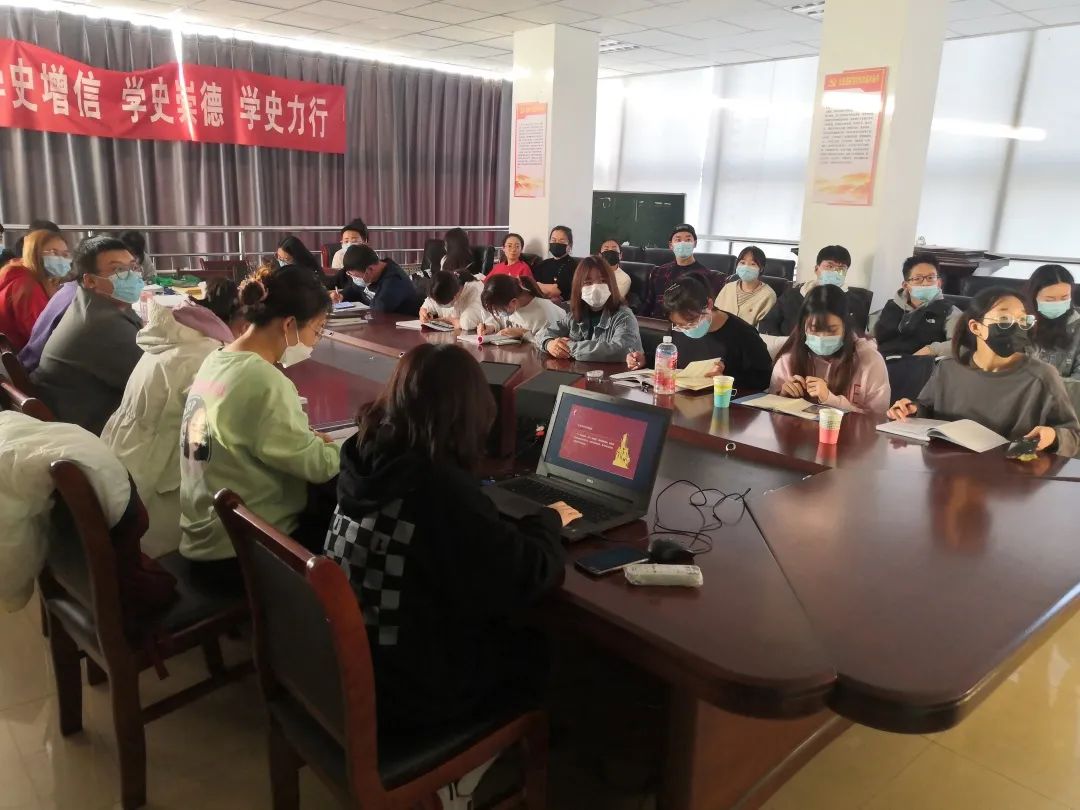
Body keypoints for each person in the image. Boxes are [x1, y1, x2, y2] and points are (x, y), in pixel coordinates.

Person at [324, 342, 574, 733]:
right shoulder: (437, 488)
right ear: (470, 413)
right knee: (537, 646)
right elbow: (525, 575)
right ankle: (477, 761)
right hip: (410, 695)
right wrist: (549, 520)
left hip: (353, 666)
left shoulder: (364, 454)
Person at [179, 266, 341, 593]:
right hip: (241, 553)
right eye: (318, 329)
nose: (316, 340)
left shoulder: (218, 358)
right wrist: (335, 448)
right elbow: (319, 466)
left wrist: (308, 442)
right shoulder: (262, 379)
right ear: (289, 324)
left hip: (206, 533)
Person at [101, 280, 239, 557]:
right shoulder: (204, 356)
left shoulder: (168, 342)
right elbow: (226, 429)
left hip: (125, 465)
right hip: (159, 500)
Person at [888, 287, 1080, 457]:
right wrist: (910, 409)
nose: (1016, 327)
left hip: (1008, 475)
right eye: (1004, 319)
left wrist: (1053, 437)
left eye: (1023, 320)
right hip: (949, 471)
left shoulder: (1042, 376)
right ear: (976, 327)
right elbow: (926, 408)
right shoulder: (948, 368)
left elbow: (1073, 436)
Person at [30, 236, 144, 434]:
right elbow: (151, 382)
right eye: (119, 270)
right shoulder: (103, 324)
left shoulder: (89, 302)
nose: (131, 276)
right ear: (90, 280)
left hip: (72, 408)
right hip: (87, 426)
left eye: (133, 267)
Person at [627, 272, 772, 391]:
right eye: (679, 325)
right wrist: (645, 360)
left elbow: (764, 379)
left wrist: (726, 379)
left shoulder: (743, 334)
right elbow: (674, 362)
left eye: (691, 322)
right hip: (681, 401)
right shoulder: (677, 330)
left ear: (709, 304)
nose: (686, 329)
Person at [770, 284, 891, 413]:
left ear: (846, 326)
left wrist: (831, 400)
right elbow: (769, 409)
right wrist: (782, 397)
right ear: (803, 327)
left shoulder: (870, 361)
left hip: (848, 427)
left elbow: (878, 417)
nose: (822, 337)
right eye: (814, 329)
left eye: (832, 330)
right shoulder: (788, 359)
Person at [538, 256, 642, 362]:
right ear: (579, 287)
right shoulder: (575, 314)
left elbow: (621, 350)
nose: (596, 288)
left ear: (611, 284)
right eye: (588, 282)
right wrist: (549, 344)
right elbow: (543, 333)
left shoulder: (624, 316)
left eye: (603, 281)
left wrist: (569, 347)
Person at [759, 245, 871, 337]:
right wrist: (784, 345)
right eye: (829, 266)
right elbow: (768, 323)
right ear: (817, 269)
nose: (835, 272)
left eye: (841, 269)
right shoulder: (792, 295)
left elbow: (856, 336)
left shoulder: (856, 303)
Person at [871, 255, 960, 357]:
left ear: (939, 283)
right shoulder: (890, 308)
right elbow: (869, 338)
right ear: (906, 285)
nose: (925, 283)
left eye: (931, 278)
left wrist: (931, 350)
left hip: (921, 364)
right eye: (918, 279)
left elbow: (961, 345)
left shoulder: (950, 312)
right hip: (881, 363)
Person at [0, 229, 72, 349]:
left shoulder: (26, 276)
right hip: (23, 356)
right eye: (53, 253)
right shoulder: (26, 286)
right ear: (35, 254)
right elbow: (42, 337)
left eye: (65, 254)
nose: (61, 259)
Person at [641, 224, 725, 318]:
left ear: (695, 243)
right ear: (671, 245)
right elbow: (649, 304)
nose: (683, 243)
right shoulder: (659, 272)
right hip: (657, 323)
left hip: (686, 324)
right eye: (678, 240)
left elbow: (708, 311)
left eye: (688, 240)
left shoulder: (706, 276)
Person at [1026, 264, 1080, 391]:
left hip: (1063, 398)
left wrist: (1042, 388)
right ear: (1034, 297)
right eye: (1049, 300)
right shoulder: (1019, 322)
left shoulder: (1077, 326)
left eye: (1064, 298)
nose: (1057, 304)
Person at [335, 244, 421, 315]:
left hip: (404, 325)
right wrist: (341, 296)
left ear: (370, 269)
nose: (355, 279)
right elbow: (355, 288)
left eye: (355, 276)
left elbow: (378, 311)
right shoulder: (371, 275)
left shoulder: (394, 282)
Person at [479, 274, 565, 344]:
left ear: (513, 302)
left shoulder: (544, 313)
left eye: (499, 310)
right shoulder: (509, 303)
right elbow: (499, 320)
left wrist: (524, 333)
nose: (498, 313)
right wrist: (491, 326)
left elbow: (550, 345)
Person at [714, 246, 777, 328]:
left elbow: (764, 329)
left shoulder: (768, 295)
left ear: (761, 268)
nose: (746, 267)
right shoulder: (728, 287)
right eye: (742, 263)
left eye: (753, 264)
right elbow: (714, 314)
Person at [419, 269, 486, 331]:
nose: (436, 303)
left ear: (455, 296)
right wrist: (423, 311)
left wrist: (450, 320)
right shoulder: (447, 284)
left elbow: (467, 323)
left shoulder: (476, 291)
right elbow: (429, 302)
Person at [533, 225, 577, 300]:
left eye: (561, 241)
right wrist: (549, 288)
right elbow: (533, 287)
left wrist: (540, 285)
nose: (557, 243)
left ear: (569, 245)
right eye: (553, 240)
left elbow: (555, 291)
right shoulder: (542, 264)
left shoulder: (573, 266)